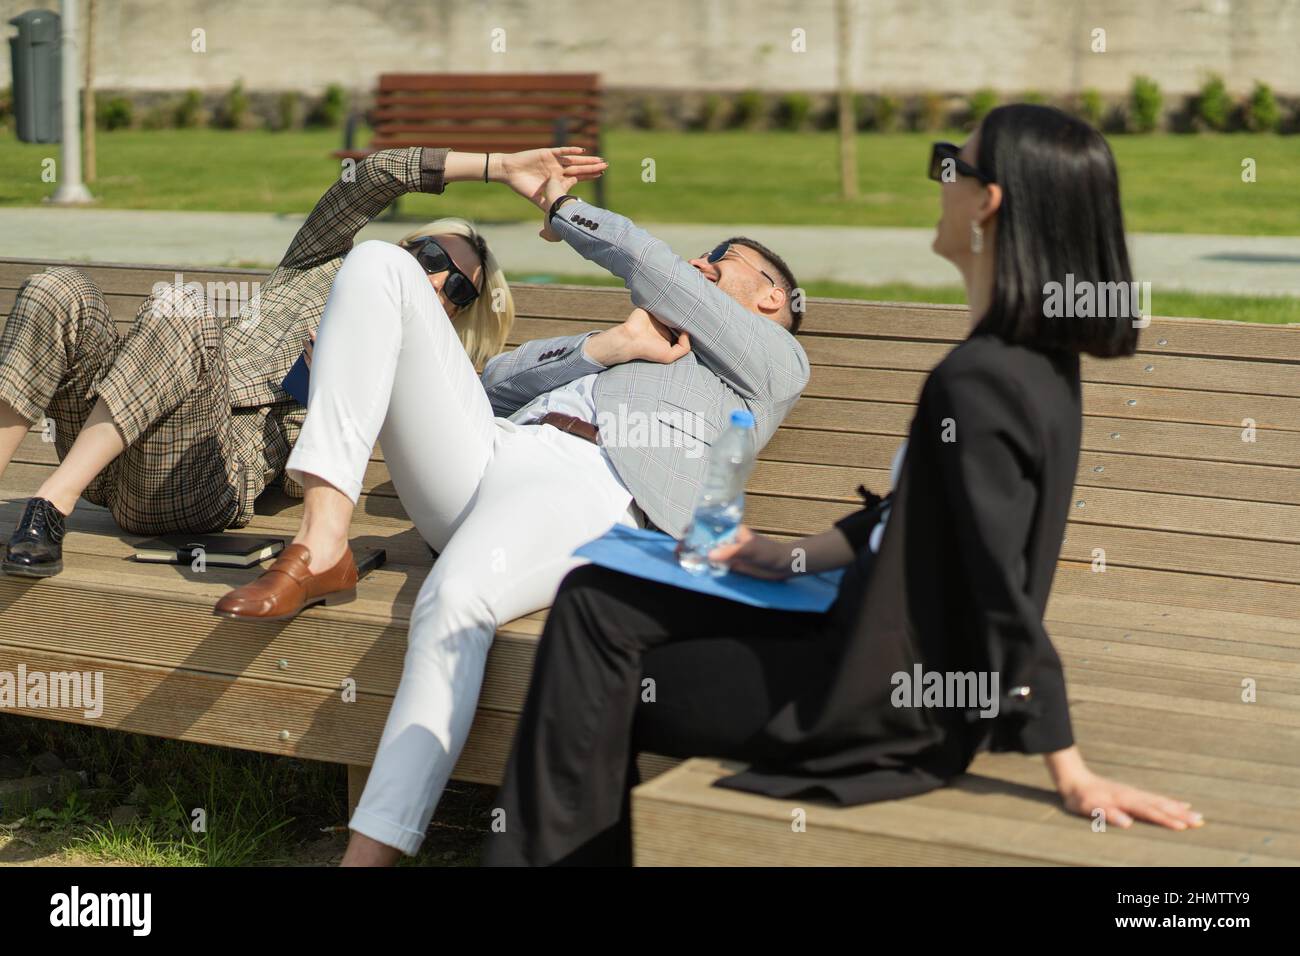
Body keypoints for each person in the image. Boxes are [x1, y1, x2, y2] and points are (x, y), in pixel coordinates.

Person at [482, 104, 1204, 867]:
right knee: (600, 597)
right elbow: (919, 513)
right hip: (886, 648)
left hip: (881, 694)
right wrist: (779, 557)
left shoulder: (982, 380)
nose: (938, 179)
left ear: (987, 203)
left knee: (599, 645)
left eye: (948, 163)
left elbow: (998, 580)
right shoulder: (1030, 362)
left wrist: (1068, 764)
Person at [213, 164, 811, 866]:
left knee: (454, 601)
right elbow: (492, 386)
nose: (700, 263)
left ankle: (367, 858)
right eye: (702, 256)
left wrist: (560, 205)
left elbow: (651, 264)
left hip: (593, 484)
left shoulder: (774, 363)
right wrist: (610, 347)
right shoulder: (649, 334)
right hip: (495, 451)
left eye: (721, 259)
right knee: (379, 264)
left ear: (771, 295)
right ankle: (322, 541)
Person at [0, 144, 546, 576]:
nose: (437, 279)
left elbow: (299, 489)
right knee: (57, 289)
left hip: (195, 479)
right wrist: (498, 168)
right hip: (113, 444)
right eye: (431, 256)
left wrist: (324, 390)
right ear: (405, 248)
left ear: (453, 315)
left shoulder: (395, 370)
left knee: (185, 309)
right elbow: (372, 175)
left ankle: (50, 504)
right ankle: (46, 496)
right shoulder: (317, 264)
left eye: (458, 288)